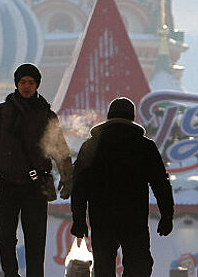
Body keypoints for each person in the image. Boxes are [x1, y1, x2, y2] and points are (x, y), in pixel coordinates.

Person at [0, 63, 73, 277]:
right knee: (4, 238)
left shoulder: (47, 116)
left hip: (36, 185)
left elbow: (60, 149)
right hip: (8, 183)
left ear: (37, 85)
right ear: (16, 84)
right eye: (23, 82)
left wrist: (67, 178)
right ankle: (11, 274)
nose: (27, 86)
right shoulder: (1, 114)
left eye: (31, 82)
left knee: (35, 239)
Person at [70, 97, 174, 277]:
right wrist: (166, 215)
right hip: (134, 218)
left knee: (103, 267)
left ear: (109, 117)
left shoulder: (92, 145)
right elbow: (160, 183)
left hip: (101, 218)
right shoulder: (144, 146)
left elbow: (79, 186)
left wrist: (79, 220)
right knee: (139, 264)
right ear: (132, 118)